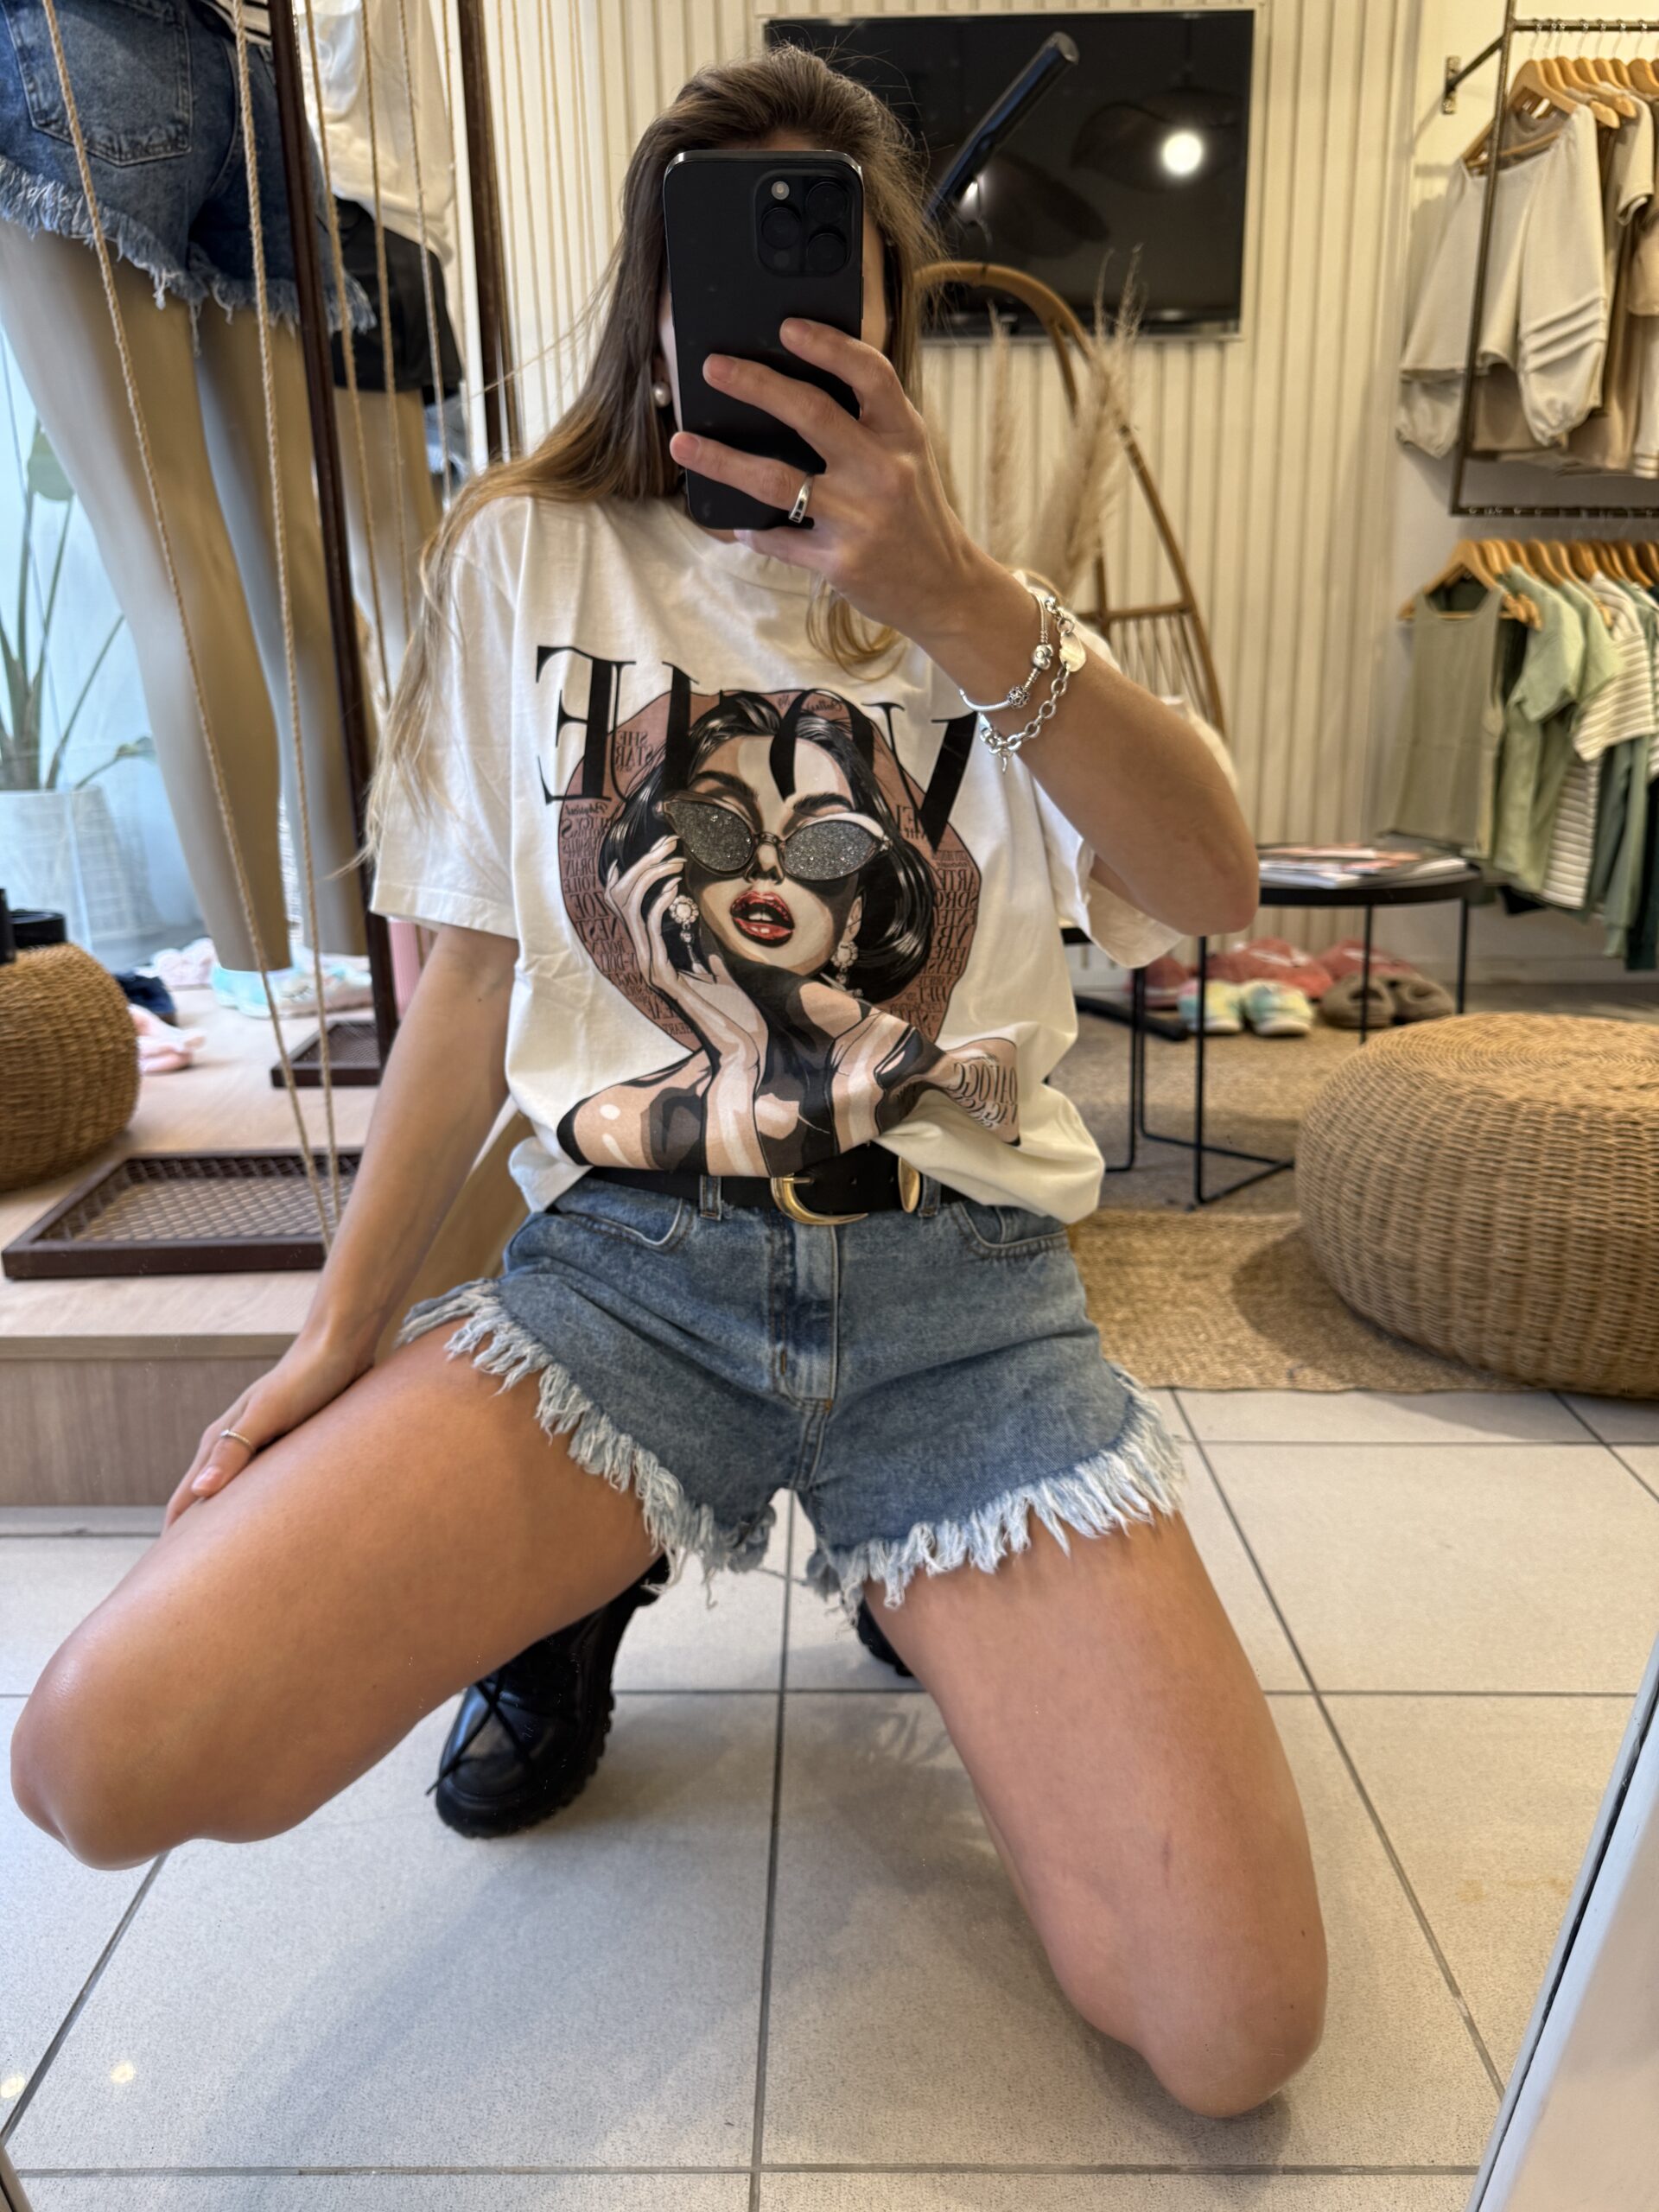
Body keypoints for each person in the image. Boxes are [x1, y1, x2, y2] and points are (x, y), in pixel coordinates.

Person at [10, 47, 1326, 2123]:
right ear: (655, 298)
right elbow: (464, 980)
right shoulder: (524, 554)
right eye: (723, 270)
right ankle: (572, 1577)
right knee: (94, 1753)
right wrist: (336, 1338)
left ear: (891, 309)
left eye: (828, 275)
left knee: (1232, 2028)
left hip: (961, 1308)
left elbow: (1216, 884)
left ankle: (906, 1564)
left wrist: (950, 593)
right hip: (629, 1287)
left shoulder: (988, 604)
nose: (776, 320)